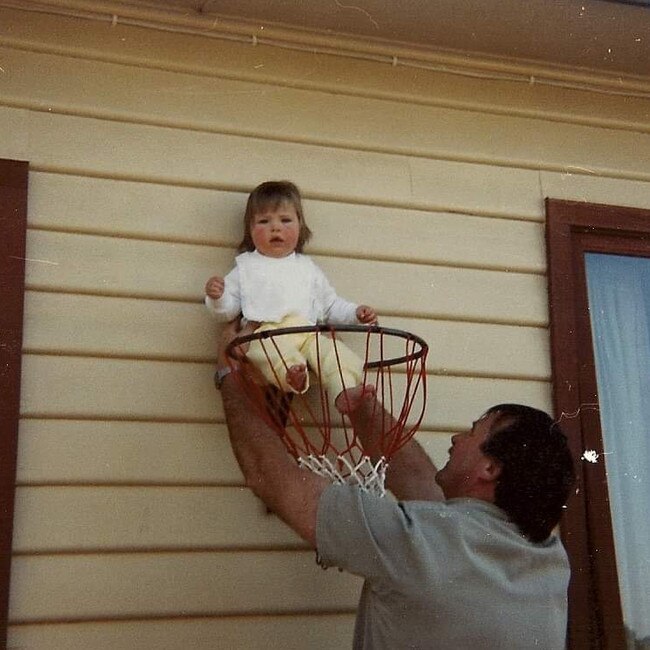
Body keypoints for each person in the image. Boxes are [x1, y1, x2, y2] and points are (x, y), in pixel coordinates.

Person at [216, 321, 576, 650]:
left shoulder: (415, 544)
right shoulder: (549, 559)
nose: (456, 438)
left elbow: (276, 481)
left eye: (472, 431)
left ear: (490, 468)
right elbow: (424, 488)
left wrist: (228, 376)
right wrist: (352, 393)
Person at [205, 180, 377, 411]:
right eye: (264, 222)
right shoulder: (246, 267)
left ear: (300, 226)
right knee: (273, 356)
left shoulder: (307, 268)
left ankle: (344, 389)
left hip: (305, 332)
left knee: (333, 353)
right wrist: (218, 297)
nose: (275, 228)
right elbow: (228, 311)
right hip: (265, 333)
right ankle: (292, 375)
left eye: (285, 220)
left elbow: (330, 305)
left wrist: (356, 313)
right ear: (250, 230)